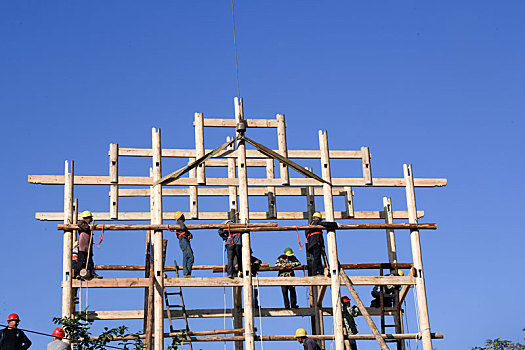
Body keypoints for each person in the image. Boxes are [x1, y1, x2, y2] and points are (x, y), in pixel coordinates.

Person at [75, 211, 102, 279]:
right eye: (90, 218)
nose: (91, 220)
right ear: (88, 218)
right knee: (80, 260)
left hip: (88, 247)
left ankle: (92, 273)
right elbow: (79, 224)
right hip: (83, 246)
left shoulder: (87, 225)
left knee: (90, 261)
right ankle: (77, 273)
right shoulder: (82, 222)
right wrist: (88, 227)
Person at [173, 211, 194, 278]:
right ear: (181, 216)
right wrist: (188, 233)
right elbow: (183, 228)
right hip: (183, 240)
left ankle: (187, 273)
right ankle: (186, 273)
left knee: (187, 255)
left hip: (184, 240)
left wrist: (188, 234)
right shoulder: (180, 222)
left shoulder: (179, 223)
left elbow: (184, 230)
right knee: (189, 256)